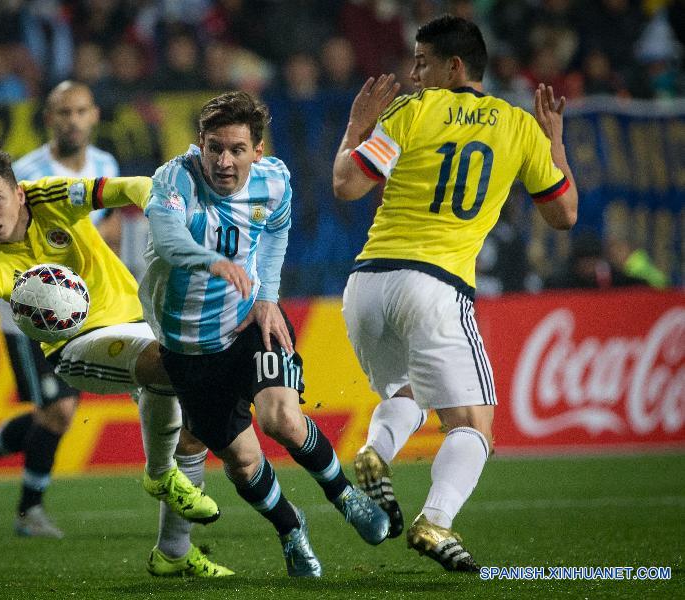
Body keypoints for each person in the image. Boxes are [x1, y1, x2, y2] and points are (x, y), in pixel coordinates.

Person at [332, 15, 578, 572]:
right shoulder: (518, 126)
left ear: (455, 66)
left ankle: (376, 452)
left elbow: (347, 184)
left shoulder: (410, 113)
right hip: (435, 286)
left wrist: (356, 127)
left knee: (402, 396)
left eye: (422, 62)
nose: (414, 73)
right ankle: (435, 520)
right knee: (474, 424)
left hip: (366, 285)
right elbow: (564, 214)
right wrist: (556, 142)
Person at [0, 147, 233, 578]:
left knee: (194, 406)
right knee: (166, 368)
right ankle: (156, 475)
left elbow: (130, 187)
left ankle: (174, 550)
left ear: (19, 194)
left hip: (136, 321)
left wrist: (166, 209)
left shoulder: (53, 197)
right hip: (74, 348)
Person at [139, 91, 390, 578]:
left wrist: (268, 297)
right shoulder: (174, 180)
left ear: (258, 150)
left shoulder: (274, 181)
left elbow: (276, 230)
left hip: (252, 322)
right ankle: (291, 528)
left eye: (236, 149)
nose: (224, 161)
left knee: (282, 419)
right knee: (243, 462)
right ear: (200, 144)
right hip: (190, 347)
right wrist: (212, 261)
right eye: (214, 148)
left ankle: (345, 497)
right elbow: (168, 240)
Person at [0, 81, 120, 537]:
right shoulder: (23, 175)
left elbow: (109, 228)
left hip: (76, 308)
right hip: (23, 312)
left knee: (54, 412)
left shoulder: (104, 165)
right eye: (63, 112)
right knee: (57, 413)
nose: (72, 121)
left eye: (80, 111)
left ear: (94, 115)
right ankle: (29, 511)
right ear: (48, 119)